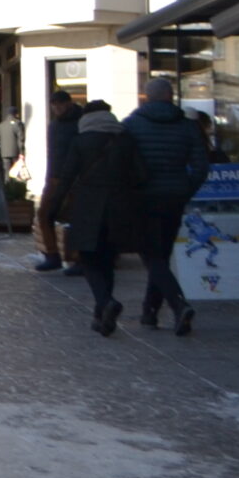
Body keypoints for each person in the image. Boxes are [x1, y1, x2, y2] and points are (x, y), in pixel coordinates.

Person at [41, 99, 145, 335]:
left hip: (88, 206)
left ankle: (106, 302)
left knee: (88, 258)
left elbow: (66, 177)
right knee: (107, 259)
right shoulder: (125, 140)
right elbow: (140, 176)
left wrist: (53, 207)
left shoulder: (81, 141)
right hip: (119, 207)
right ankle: (102, 316)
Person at [122, 76, 212, 335]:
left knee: (151, 256)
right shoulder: (188, 127)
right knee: (160, 254)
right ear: (171, 97)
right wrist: (185, 190)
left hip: (143, 198)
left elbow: (123, 163)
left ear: (146, 97)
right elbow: (201, 167)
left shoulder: (132, 125)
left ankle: (178, 304)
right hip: (174, 197)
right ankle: (149, 311)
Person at [33, 90, 81, 273]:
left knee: (75, 218)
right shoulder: (54, 125)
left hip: (75, 178)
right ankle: (52, 255)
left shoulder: (80, 121)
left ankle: (78, 258)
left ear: (69, 103)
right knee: (44, 215)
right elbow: (53, 154)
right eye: (54, 104)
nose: (57, 108)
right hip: (54, 178)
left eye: (60, 104)